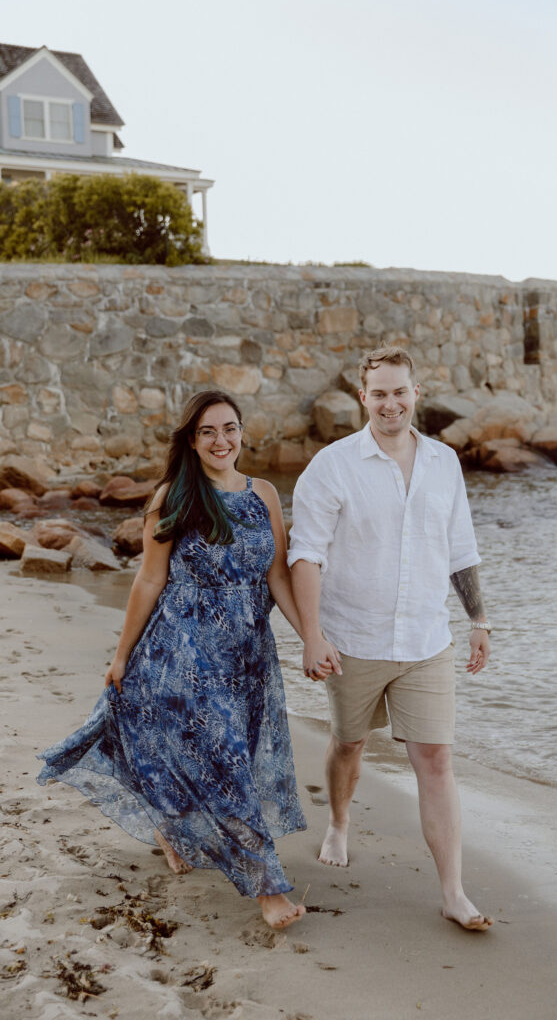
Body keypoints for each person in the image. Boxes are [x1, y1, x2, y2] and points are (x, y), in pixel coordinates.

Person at [38, 390, 330, 929]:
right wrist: (122, 655)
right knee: (228, 766)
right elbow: (149, 579)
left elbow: (277, 575)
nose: (221, 441)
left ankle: (171, 828)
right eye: (208, 432)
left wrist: (312, 637)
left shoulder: (263, 493)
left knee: (225, 756)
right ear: (191, 441)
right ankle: (268, 890)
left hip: (247, 657)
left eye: (229, 429)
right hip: (182, 651)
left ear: (243, 433)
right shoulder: (173, 496)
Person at [288, 346, 493, 932]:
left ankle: (453, 892)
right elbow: (305, 555)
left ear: (416, 392)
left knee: (435, 759)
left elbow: (460, 550)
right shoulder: (332, 465)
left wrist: (478, 621)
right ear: (363, 398)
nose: (390, 403)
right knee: (349, 744)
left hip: (428, 641)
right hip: (352, 639)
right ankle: (339, 822)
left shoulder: (444, 463)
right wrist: (312, 635)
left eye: (400, 391)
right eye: (379, 393)